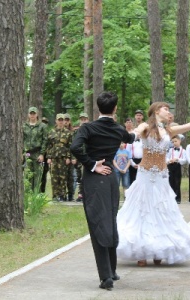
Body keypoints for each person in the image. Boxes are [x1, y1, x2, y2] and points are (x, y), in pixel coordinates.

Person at [117, 102, 190, 267]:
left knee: (161, 211)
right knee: (143, 210)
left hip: (162, 176)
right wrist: (133, 134)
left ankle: (158, 250)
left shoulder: (168, 130)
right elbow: (132, 135)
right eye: (165, 109)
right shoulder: (145, 126)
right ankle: (141, 251)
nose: (168, 112)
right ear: (156, 111)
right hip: (145, 176)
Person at [70, 91, 136, 290]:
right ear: (115, 109)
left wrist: (91, 164)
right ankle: (113, 270)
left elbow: (75, 147)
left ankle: (106, 276)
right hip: (111, 179)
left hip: (94, 178)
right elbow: (131, 138)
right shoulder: (118, 129)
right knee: (110, 221)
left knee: (98, 224)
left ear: (98, 108)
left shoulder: (88, 128)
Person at [47, 114, 72, 202]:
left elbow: (70, 146)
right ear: (56, 121)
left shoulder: (68, 133)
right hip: (54, 158)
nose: (61, 122)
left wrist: (68, 157)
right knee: (54, 177)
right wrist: (49, 157)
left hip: (63, 158)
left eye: (62, 120)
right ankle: (55, 196)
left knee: (63, 177)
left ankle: (62, 196)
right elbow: (49, 145)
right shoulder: (51, 132)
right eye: (59, 120)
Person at [23, 107, 48, 191]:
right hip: (27, 153)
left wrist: (42, 154)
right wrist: (21, 153)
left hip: (37, 152)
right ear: (28, 115)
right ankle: (28, 193)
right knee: (28, 174)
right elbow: (21, 139)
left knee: (38, 175)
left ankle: (36, 194)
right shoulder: (24, 126)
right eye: (31, 113)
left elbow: (45, 140)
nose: (32, 115)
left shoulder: (42, 126)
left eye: (34, 113)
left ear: (37, 114)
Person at [166, 135, 187, 204]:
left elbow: (185, 160)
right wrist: (169, 160)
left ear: (180, 141)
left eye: (176, 141)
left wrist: (178, 159)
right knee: (170, 182)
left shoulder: (183, 151)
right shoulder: (170, 150)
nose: (174, 143)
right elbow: (166, 158)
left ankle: (178, 198)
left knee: (177, 182)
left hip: (177, 166)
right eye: (173, 142)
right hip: (170, 166)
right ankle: (171, 198)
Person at [74, 112, 89, 202]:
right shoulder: (76, 131)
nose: (83, 121)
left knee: (86, 175)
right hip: (78, 156)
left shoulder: (91, 130)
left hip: (88, 156)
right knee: (79, 175)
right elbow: (73, 144)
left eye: (85, 119)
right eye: (82, 119)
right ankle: (80, 193)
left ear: (87, 120)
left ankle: (84, 193)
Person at [64, 113, 75, 201]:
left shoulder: (73, 131)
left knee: (70, 178)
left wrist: (73, 157)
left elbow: (74, 145)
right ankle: (62, 195)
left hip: (71, 157)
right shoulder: (58, 131)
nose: (66, 122)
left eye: (67, 120)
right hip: (61, 157)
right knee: (62, 177)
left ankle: (71, 195)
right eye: (64, 120)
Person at [40, 117, 49, 193]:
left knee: (43, 175)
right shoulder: (38, 132)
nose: (44, 124)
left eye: (45, 123)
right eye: (43, 122)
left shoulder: (49, 134)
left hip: (45, 157)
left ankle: (42, 191)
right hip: (38, 155)